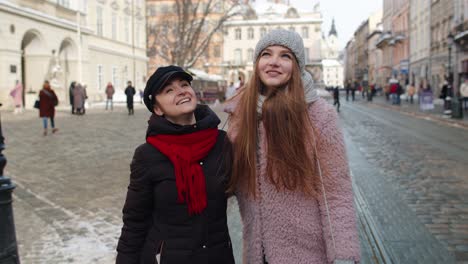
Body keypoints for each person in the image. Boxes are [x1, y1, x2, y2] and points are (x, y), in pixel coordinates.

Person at [224, 29, 360, 264]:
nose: (274, 62)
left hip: (305, 254)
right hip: (257, 252)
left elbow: (336, 193)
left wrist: (343, 254)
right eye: (266, 54)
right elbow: (225, 181)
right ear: (257, 63)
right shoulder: (241, 113)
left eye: (285, 56)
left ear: (297, 66)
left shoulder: (318, 115)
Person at [116, 65, 235, 264]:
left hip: (218, 255)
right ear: (157, 108)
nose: (181, 91)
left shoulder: (222, 142)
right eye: (169, 90)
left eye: (184, 84)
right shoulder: (147, 155)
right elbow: (134, 223)